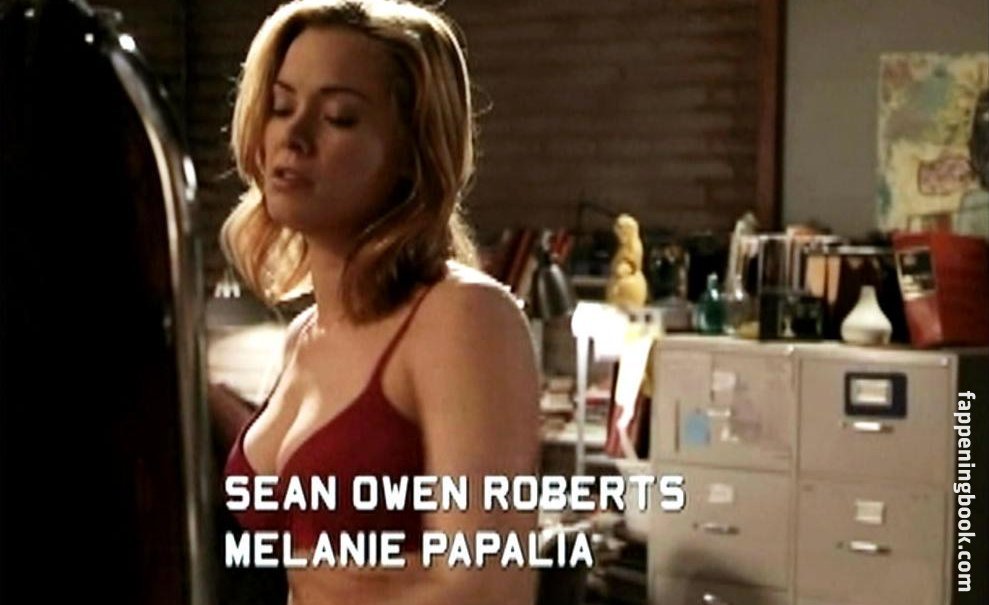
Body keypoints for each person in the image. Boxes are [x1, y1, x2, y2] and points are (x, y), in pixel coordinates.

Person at [208, 1, 541, 603]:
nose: (293, 136)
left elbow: (489, 587)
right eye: (281, 106)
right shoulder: (304, 336)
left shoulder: (462, 316)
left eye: (338, 117)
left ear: (412, 154)